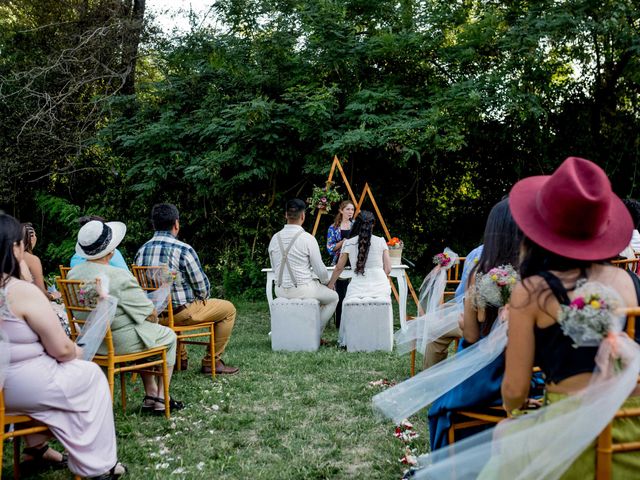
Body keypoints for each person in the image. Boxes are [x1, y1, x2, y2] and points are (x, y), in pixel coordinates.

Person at [501, 156, 640, 476]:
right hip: (633, 443)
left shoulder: (533, 291)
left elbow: (514, 392)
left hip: (569, 448)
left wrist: (515, 410)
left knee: (504, 437)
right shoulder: (633, 283)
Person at [0, 213, 125, 479]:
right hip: (23, 385)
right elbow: (61, 350)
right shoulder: (19, 291)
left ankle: (36, 450)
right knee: (90, 377)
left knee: (58, 386)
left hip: (5, 389)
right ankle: (99, 467)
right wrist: (77, 352)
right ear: (13, 248)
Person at [427, 198, 531, 451]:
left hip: (487, 376)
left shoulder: (480, 272)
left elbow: (471, 337)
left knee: (440, 408)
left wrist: (467, 322)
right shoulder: (535, 273)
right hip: (532, 376)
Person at [69, 220, 183, 414]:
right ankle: (162, 399)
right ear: (111, 251)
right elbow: (149, 312)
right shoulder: (119, 276)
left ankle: (150, 394)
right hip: (118, 341)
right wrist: (153, 317)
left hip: (90, 341)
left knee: (144, 333)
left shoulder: (73, 274)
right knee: (169, 336)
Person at [135, 203, 239, 375]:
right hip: (180, 314)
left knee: (177, 303)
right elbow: (202, 288)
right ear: (176, 224)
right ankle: (211, 361)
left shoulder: (141, 250)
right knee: (228, 309)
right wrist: (196, 296)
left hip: (155, 315)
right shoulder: (183, 249)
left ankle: (179, 359)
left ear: (154, 224)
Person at [268, 199, 338, 334]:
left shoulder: (274, 239)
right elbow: (320, 270)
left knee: (317, 290)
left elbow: (275, 268)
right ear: (303, 216)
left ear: (286, 215)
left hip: (280, 290)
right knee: (333, 298)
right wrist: (326, 283)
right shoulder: (307, 238)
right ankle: (314, 332)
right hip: (303, 289)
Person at [327, 210, 391, 299]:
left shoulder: (348, 243)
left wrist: (330, 284)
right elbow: (387, 269)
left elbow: (339, 268)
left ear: (357, 224)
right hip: (381, 289)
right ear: (373, 224)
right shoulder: (381, 241)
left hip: (357, 289)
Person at [21, 222, 70, 335]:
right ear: (31, 238)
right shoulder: (32, 259)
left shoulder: (9, 257)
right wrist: (53, 295)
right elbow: (41, 294)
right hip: (32, 309)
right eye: (35, 235)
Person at [326, 201, 355, 328]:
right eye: (348, 209)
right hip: (340, 262)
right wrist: (343, 242)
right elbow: (330, 248)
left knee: (353, 291)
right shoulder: (333, 228)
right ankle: (340, 323)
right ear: (341, 210)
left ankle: (353, 321)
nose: (350, 212)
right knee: (341, 292)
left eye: (352, 210)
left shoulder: (356, 226)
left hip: (354, 261)